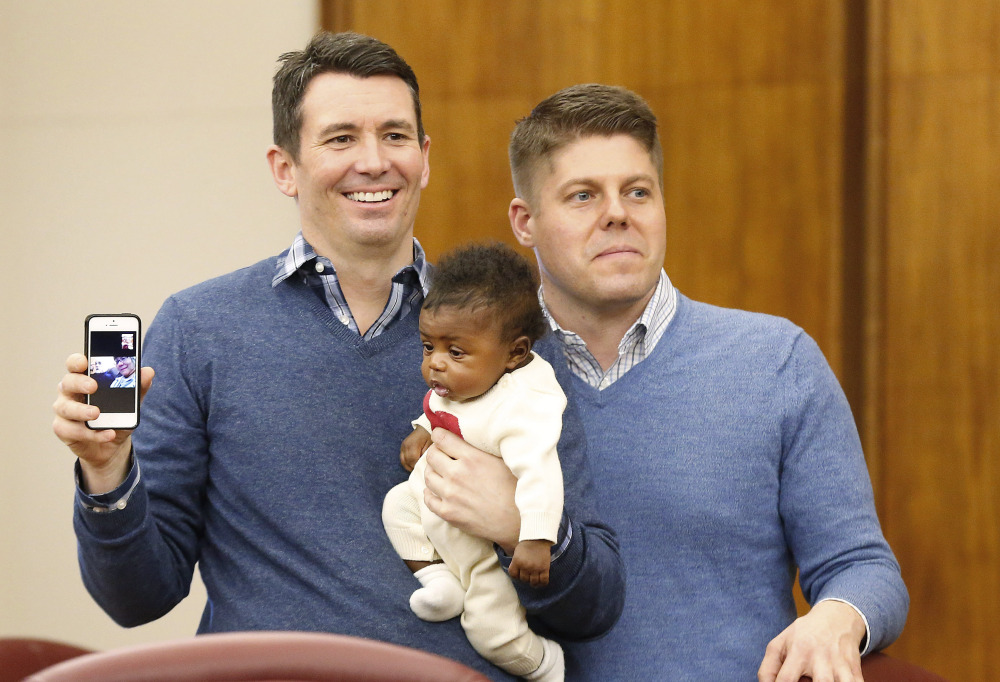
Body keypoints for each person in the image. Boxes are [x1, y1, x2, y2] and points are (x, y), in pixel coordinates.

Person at [50, 33, 623, 681]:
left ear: (425, 158)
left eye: (396, 136)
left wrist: (519, 524)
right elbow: (137, 599)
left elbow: (596, 604)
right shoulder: (198, 328)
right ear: (284, 168)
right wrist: (106, 475)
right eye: (341, 138)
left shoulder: (513, 332)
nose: (374, 161)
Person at [414, 84, 909, 681]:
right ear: (525, 222)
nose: (618, 213)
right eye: (582, 196)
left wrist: (836, 617)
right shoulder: (466, 379)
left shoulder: (777, 362)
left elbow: (864, 567)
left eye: (638, 192)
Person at [383, 242, 566, 681]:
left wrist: (536, 540)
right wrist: (423, 429)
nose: (436, 366)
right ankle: (439, 582)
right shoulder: (467, 381)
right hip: (434, 506)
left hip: (482, 542)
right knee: (396, 506)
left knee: (490, 633)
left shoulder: (523, 407)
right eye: (428, 347)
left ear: (515, 354)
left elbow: (541, 473)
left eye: (455, 352)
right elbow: (441, 407)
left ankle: (547, 667)